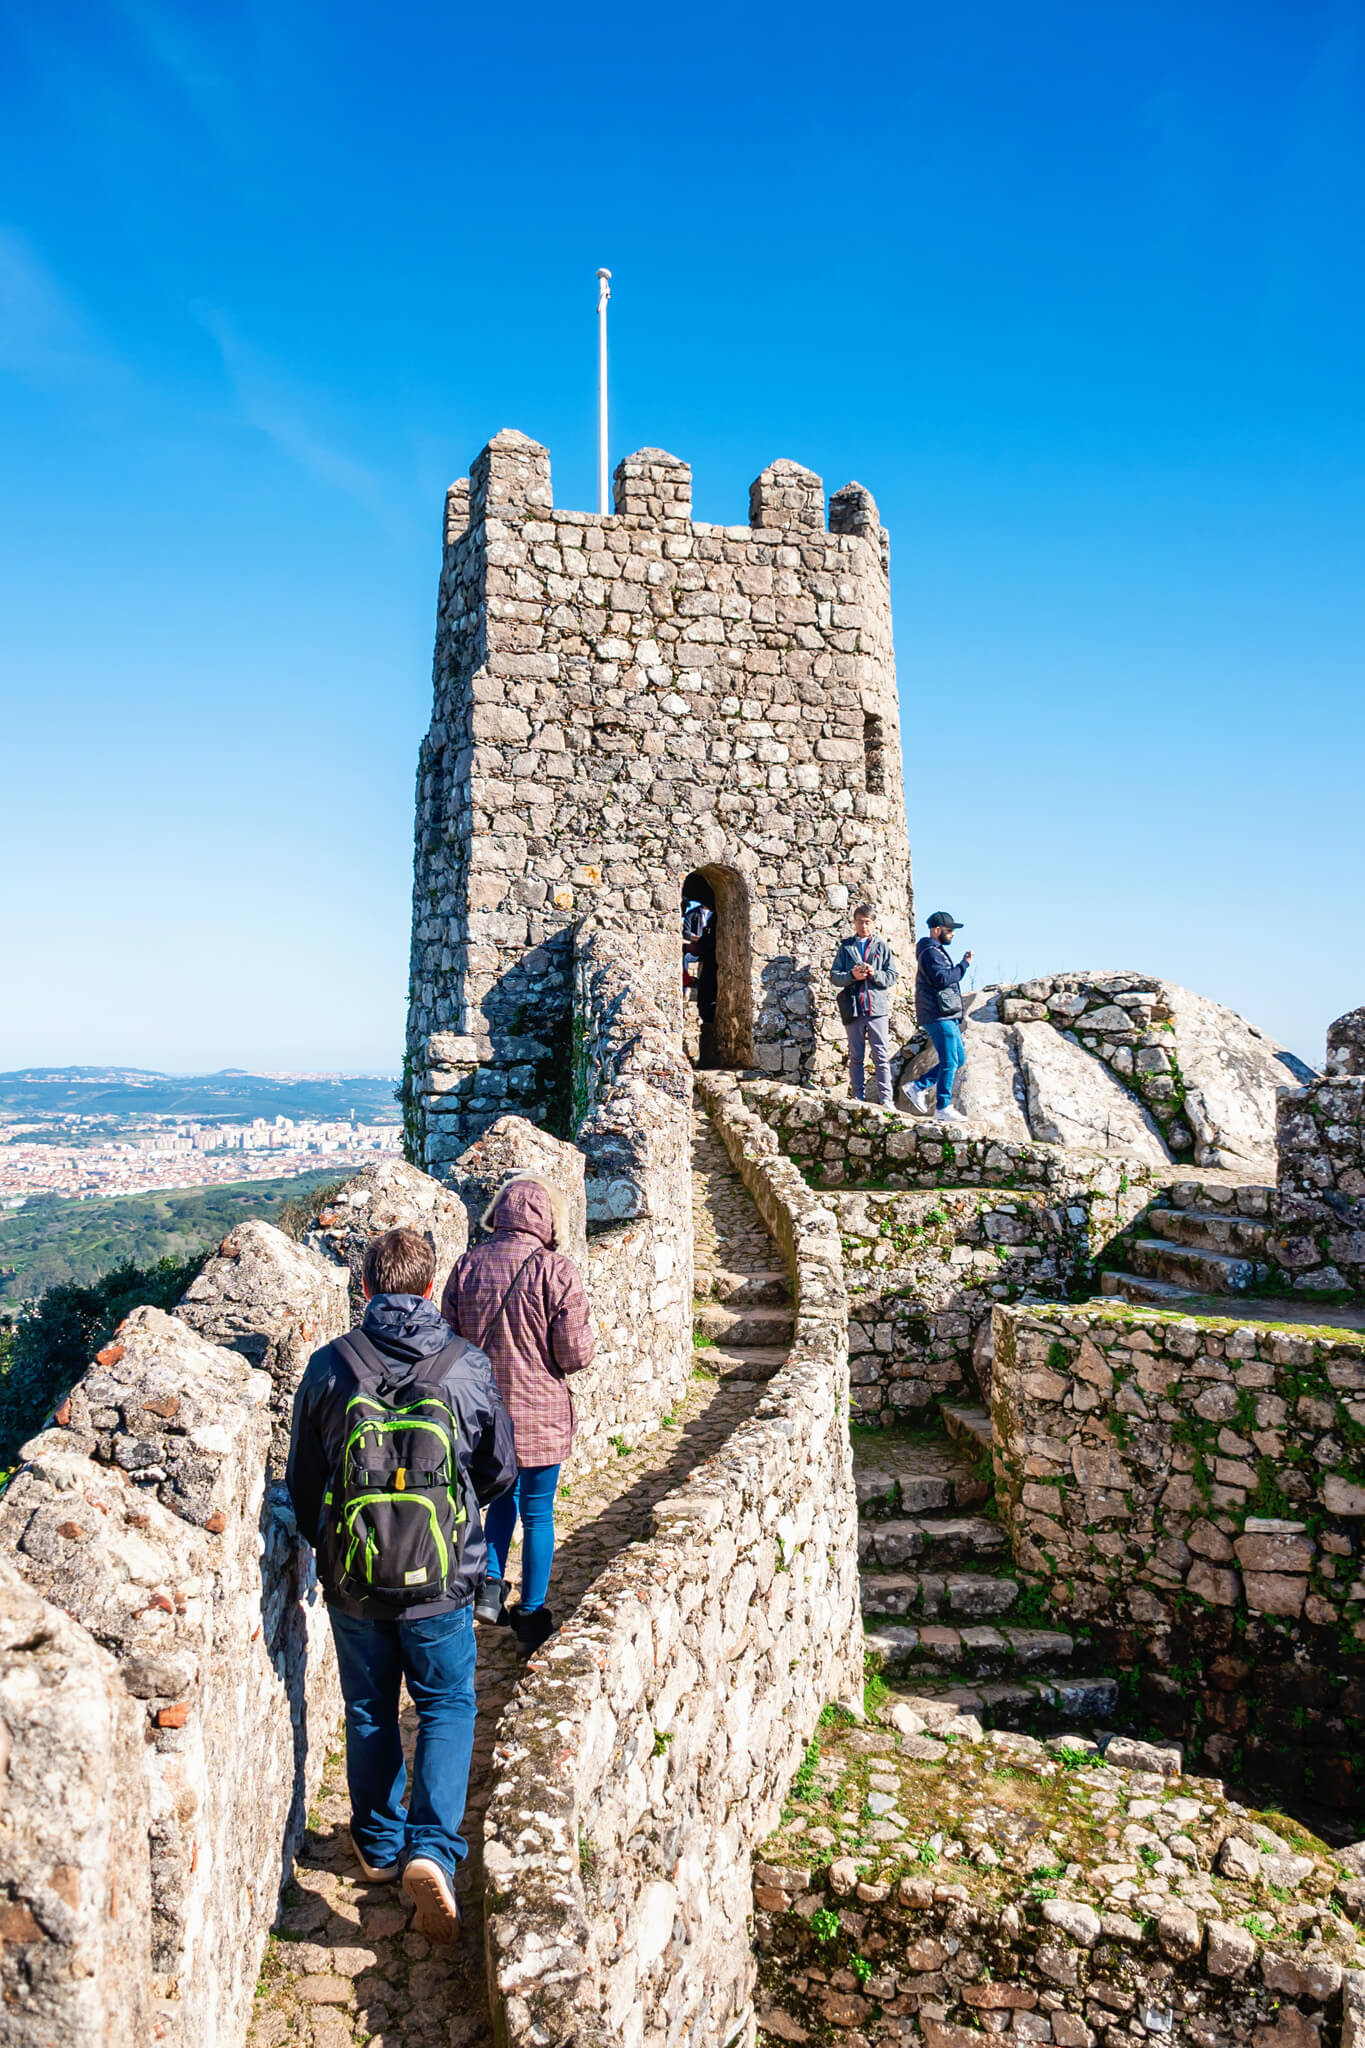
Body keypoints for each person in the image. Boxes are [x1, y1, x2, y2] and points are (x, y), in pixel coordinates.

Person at [286, 1225, 516, 1944]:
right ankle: (433, 1848)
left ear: (363, 1288)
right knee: (446, 1706)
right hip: (442, 1583)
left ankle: (380, 1847)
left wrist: (335, 1541)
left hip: (354, 1580)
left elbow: (303, 1482)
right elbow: (499, 1468)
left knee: (368, 1708)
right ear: (429, 1286)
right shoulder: (465, 1365)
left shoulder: (330, 1365)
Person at [441, 1175, 596, 1656]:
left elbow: (446, 1342)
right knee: (538, 1512)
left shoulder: (467, 1266)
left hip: (483, 1417)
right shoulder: (557, 1272)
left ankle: (488, 1587)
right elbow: (573, 1354)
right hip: (540, 1416)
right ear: (547, 1220)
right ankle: (530, 1614)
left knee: (498, 1503)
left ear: (497, 1214)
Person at [831, 903, 899, 1106]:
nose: (863, 926)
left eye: (867, 922)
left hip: (877, 1009)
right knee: (856, 1056)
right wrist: (852, 975)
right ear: (854, 922)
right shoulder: (846, 948)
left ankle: (887, 1099)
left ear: (874, 923)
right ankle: (858, 1096)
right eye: (859, 922)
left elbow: (892, 975)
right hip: (853, 1008)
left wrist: (874, 973)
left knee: (881, 1055)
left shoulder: (882, 947)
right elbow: (835, 977)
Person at [911, 910, 973, 1124]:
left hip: (946, 1014)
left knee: (959, 1059)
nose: (952, 934)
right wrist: (963, 966)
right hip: (937, 1014)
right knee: (949, 1060)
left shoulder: (935, 950)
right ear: (937, 930)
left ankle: (917, 1086)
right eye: (949, 930)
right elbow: (942, 979)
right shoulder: (930, 951)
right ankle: (942, 1107)